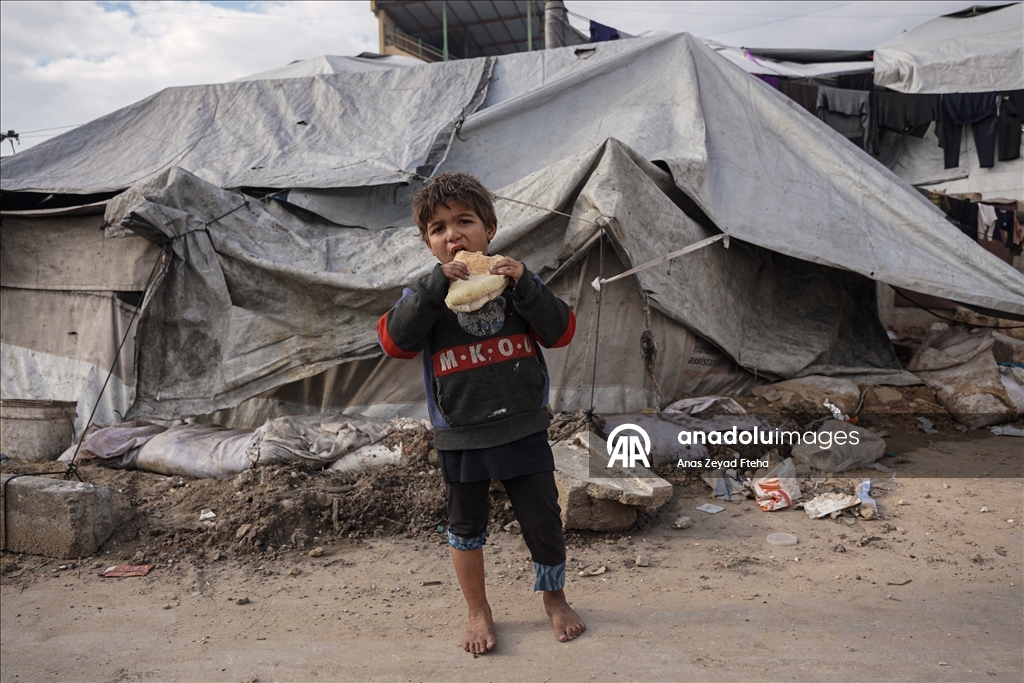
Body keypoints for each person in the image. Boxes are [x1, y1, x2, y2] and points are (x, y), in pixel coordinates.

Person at [376, 172, 586, 653]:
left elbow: (562, 332)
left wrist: (526, 282)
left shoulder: (515, 283)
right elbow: (393, 342)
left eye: (464, 222)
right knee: (466, 529)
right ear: (429, 243)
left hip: (523, 427)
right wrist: (432, 289)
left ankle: (554, 599)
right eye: (438, 228)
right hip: (462, 436)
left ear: (488, 229)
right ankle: (477, 611)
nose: (453, 235)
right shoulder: (424, 294)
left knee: (543, 522)